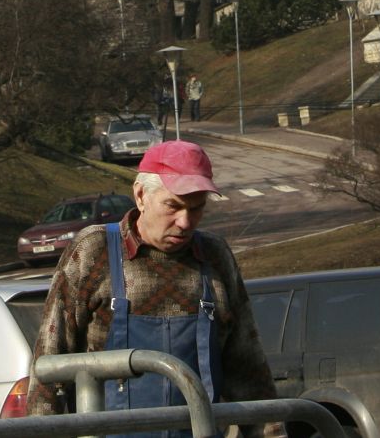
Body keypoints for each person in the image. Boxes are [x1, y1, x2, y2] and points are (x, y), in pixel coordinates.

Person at [28, 140, 281, 438]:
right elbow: (49, 364)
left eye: (197, 208)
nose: (185, 222)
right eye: (173, 205)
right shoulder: (93, 252)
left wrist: (272, 432)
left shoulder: (215, 257)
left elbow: (248, 369)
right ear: (140, 195)